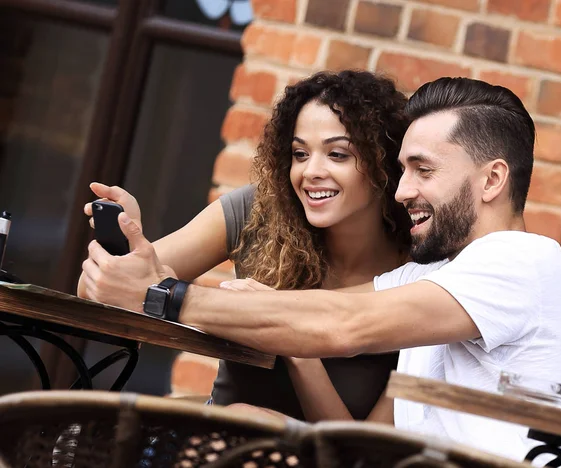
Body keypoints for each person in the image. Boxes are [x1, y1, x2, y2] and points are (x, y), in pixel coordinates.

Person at [79, 76, 561, 461]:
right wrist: (140, 262)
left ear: (492, 180)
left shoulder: (522, 262)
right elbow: (315, 310)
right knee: (241, 426)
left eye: (423, 170)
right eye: (402, 170)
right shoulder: (435, 282)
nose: (402, 190)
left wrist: (163, 293)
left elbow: (341, 325)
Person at [78, 70, 414, 422]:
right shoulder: (259, 214)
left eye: (338, 155)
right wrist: (127, 248)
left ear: (384, 164)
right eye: (299, 153)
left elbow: (362, 456)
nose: (311, 171)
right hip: (217, 443)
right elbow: (94, 293)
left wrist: (297, 345)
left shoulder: (423, 275)